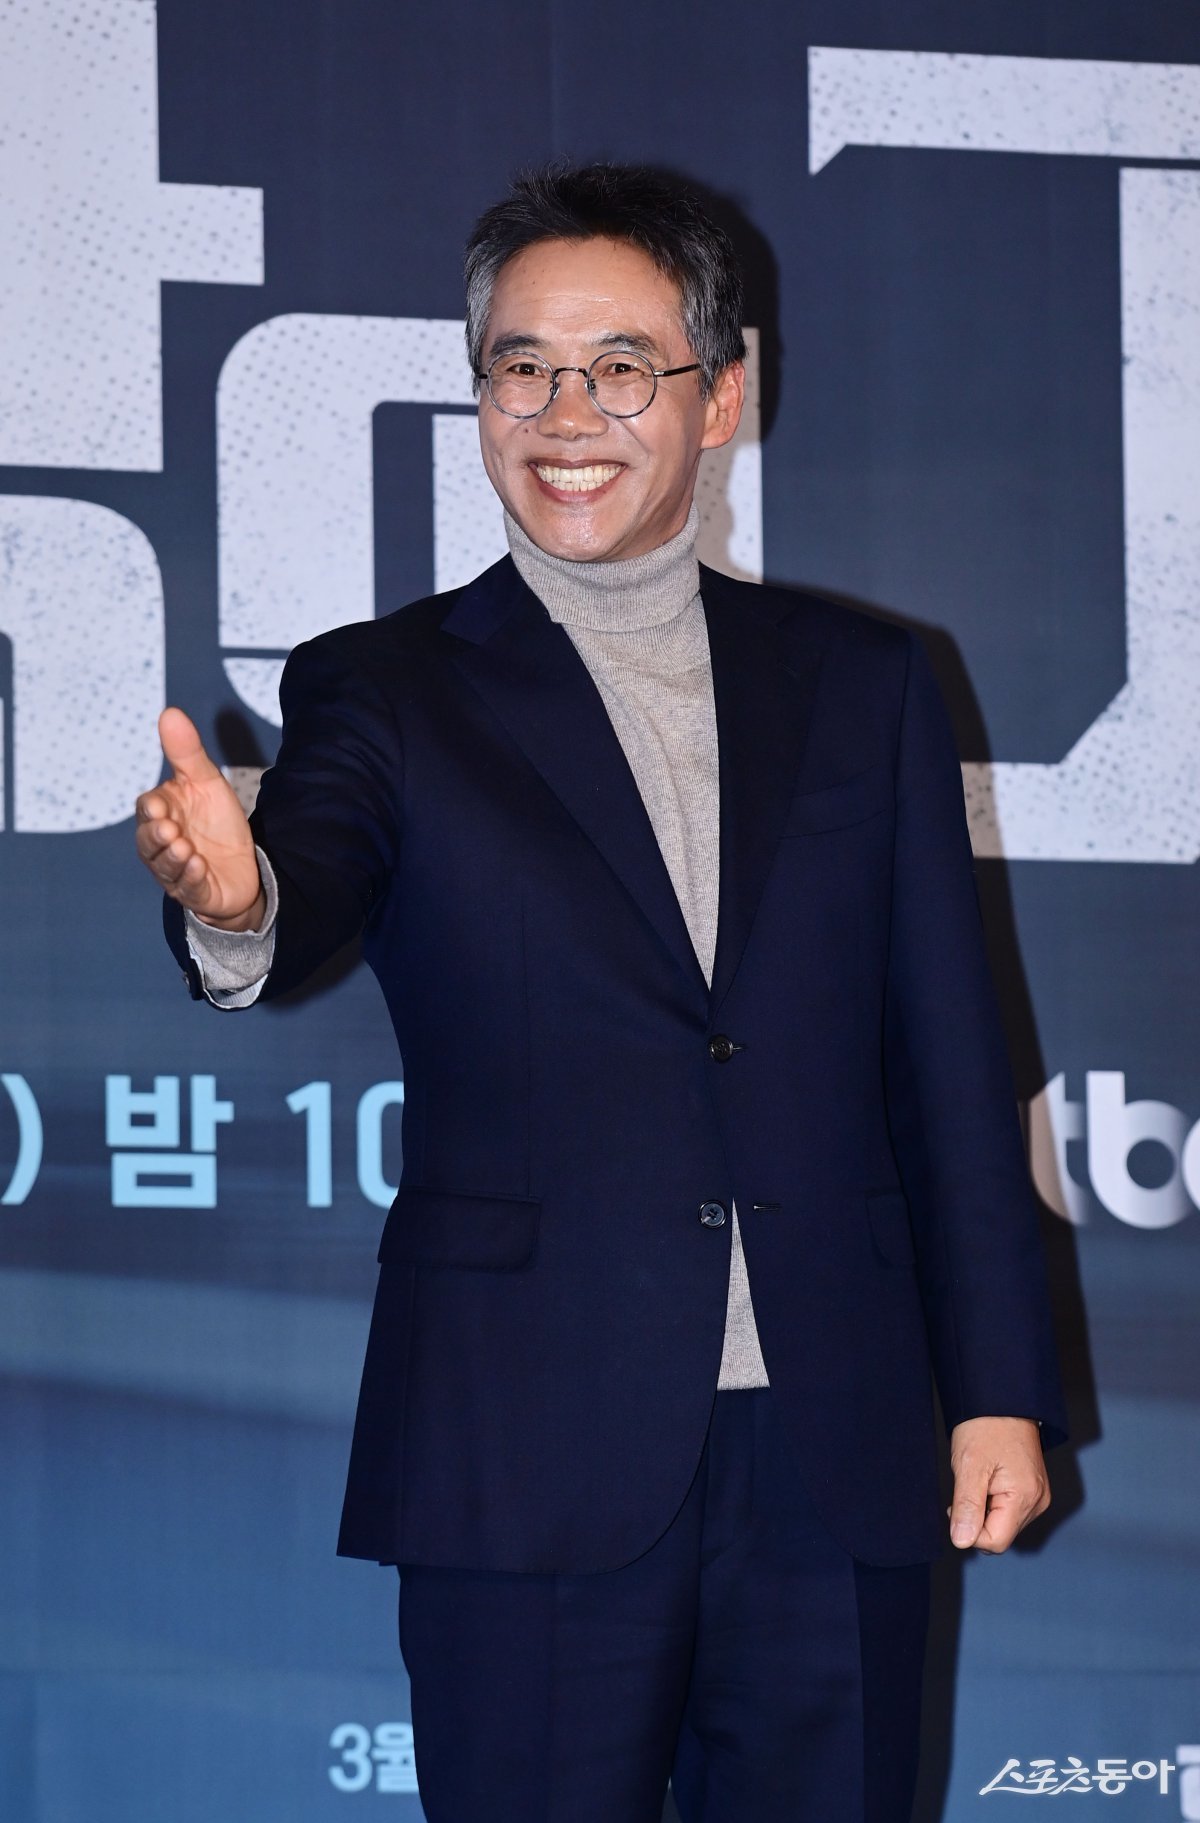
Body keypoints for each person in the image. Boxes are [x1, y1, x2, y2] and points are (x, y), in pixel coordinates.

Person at [135, 162, 1066, 1823]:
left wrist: (997, 1382)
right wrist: (239, 898)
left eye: (623, 367)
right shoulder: (383, 685)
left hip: (835, 1445)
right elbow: (311, 872)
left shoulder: (865, 684)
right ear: (480, 396)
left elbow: (949, 1054)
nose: (568, 416)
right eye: (523, 368)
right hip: (528, 1439)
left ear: (720, 398)